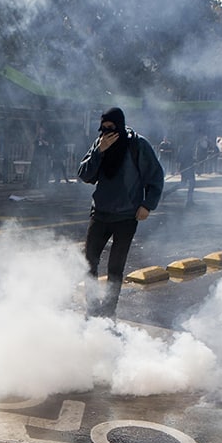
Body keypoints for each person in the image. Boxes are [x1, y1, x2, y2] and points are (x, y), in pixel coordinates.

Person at [76, 107, 164, 319]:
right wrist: (99, 152)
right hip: (100, 213)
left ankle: (108, 311)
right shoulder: (100, 143)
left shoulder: (137, 144)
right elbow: (84, 175)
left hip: (126, 216)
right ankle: (92, 307)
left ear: (120, 126)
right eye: (103, 128)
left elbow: (156, 176)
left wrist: (147, 205)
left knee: (115, 267)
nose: (106, 132)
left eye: (111, 128)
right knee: (88, 262)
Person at [176, 141, 196, 207]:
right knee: (187, 183)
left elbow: (191, 159)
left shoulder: (188, 149)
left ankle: (189, 201)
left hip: (190, 168)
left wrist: (195, 161)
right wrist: (178, 169)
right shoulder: (184, 150)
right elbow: (179, 160)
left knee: (189, 184)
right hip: (186, 169)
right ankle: (189, 201)